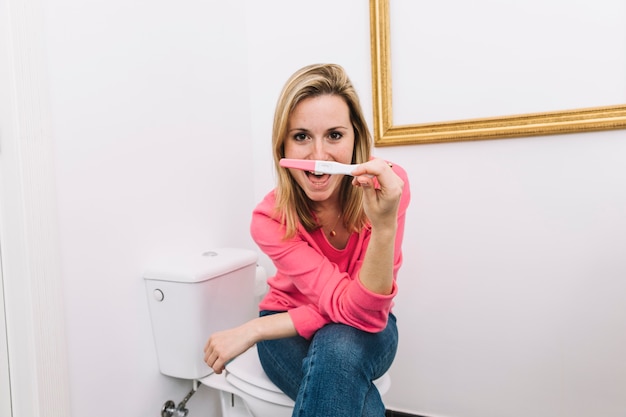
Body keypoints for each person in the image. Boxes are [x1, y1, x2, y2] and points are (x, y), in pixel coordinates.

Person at [204, 63, 410, 416]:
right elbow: (348, 306)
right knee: (346, 373)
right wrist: (269, 324)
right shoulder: (269, 219)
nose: (318, 158)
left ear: (355, 138)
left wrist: (256, 329)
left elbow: (365, 315)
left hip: (365, 327)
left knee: (340, 343)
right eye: (301, 137)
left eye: (334, 135)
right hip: (286, 330)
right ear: (282, 145)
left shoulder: (389, 188)